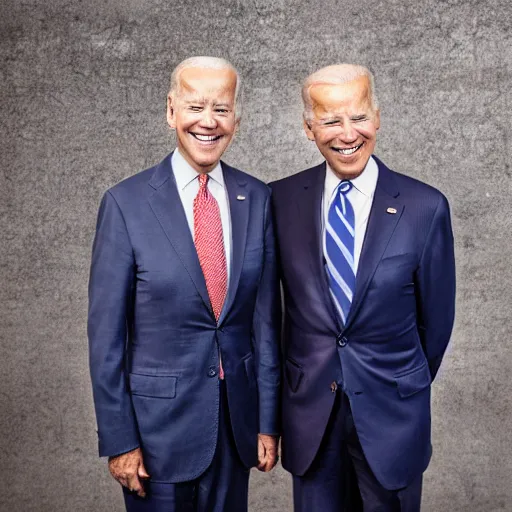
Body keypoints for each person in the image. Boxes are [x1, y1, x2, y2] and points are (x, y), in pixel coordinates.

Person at [88, 56, 280, 512]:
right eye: (196, 106)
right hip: (156, 437)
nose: (208, 122)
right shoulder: (125, 204)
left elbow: (265, 321)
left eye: (222, 108)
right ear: (171, 110)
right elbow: (106, 338)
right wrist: (119, 440)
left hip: (235, 429)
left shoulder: (257, 199)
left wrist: (267, 420)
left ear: (237, 117)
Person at [270, 64, 456, 512]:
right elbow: (268, 316)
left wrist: (394, 381)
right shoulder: (278, 201)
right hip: (311, 414)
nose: (347, 133)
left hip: (393, 417)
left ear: (377, 116)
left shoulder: (424, 207)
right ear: (308, 126)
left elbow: (437, 323)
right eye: (331, 120)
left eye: (358, 117)